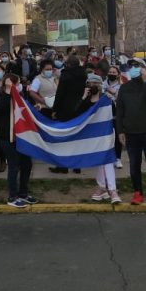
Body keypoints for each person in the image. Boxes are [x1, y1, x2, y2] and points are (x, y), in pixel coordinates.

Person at [116, 58, 146, 206]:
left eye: (137, 66)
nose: (133, 68)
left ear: (144, 68)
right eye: (131, 66)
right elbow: (120, 110)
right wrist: (120, 131)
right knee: (134, 165)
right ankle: (137, 193)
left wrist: (145, 80)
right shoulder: (124, 87)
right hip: (131, 132)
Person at [0, 74, 38, 208]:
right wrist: (8, 89)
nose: (19, 86)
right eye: (17, 83)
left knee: (26, 164)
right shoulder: (3, 96)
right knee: (13, 166)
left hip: (21, 137)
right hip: (7, 137)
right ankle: (12, 196)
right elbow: (2, 108)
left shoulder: (19, 97)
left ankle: (23, 193)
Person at [79, 74, 121, 204]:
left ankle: (113, 190)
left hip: (106, 134)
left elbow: (114, 115)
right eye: (90, 83)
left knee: (107, 159)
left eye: (95, 84)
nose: (92, 86)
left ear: (100, 85)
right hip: (91, 136)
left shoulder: (106, 99)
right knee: (99, 160)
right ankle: (102, 188)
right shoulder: (85, 101)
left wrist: (112, 99)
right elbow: (77, 114)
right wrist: (83, 97)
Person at [50, 55, 86, 174]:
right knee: (77, 136)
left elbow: (60, 93)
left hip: (65, 109)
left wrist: (55, 109)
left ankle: (63, 166)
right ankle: (77, 166)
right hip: (78, 108)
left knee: (63, 137)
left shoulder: (66, 75)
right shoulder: (83, 74)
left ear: (68, 64)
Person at [103, 65, 124, 168]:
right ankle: (106, 158)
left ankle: (118, 158)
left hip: (116, 115)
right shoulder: (103, 84)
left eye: (114, 72)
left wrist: (114, 94)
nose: (111, 74)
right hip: (104, 116)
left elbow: (123, 100)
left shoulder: (121, 86)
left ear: (118, 75)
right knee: (106, 138)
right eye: (110, 72)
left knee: (117, 138)